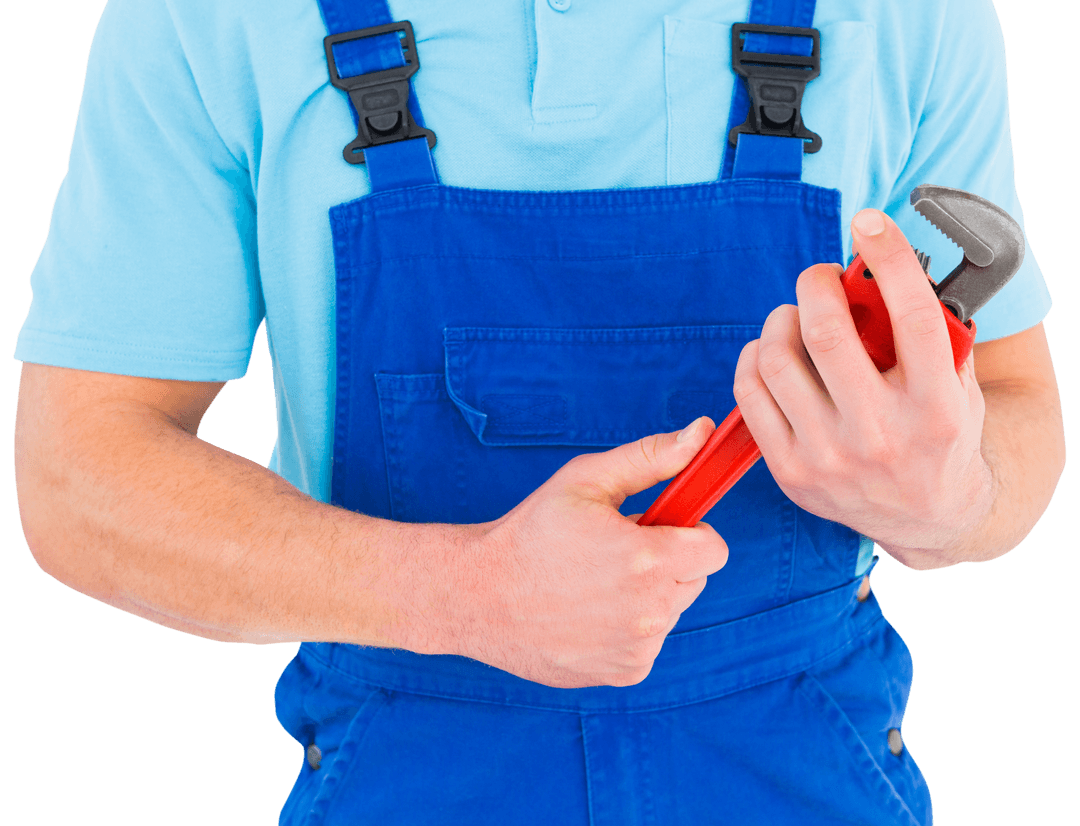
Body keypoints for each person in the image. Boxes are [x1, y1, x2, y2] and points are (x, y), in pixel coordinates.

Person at [12, 0, 1065, 823]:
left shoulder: (917, 13)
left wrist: (949, 497)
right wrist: (457, 593)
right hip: (411, 778)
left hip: (805, 768)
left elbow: (1020, 417)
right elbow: (76, 476)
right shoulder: (210, 15)